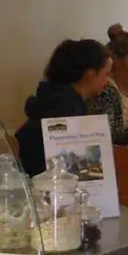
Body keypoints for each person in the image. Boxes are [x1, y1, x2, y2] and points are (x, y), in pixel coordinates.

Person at [16, 38, 112, 174]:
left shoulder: (52, 100)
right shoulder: (67, 111)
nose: (108, 81)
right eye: (106, 74)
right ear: (90, 74)